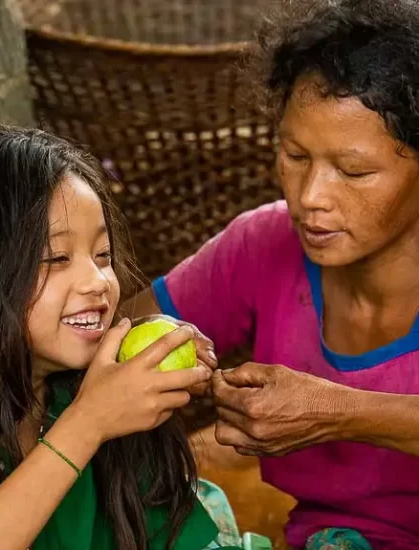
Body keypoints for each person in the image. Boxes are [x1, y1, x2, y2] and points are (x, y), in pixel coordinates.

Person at [123, 1, 419, 548]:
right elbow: (120, 334)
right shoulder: (264, 245)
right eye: (294, 155)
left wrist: (339, 412)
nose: (311, 198)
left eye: (353, 171)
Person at [0, 127, 242, 550]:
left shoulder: (110, 406)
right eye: (56, 258)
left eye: (103, 256)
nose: (98, 281)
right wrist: (86, 424)